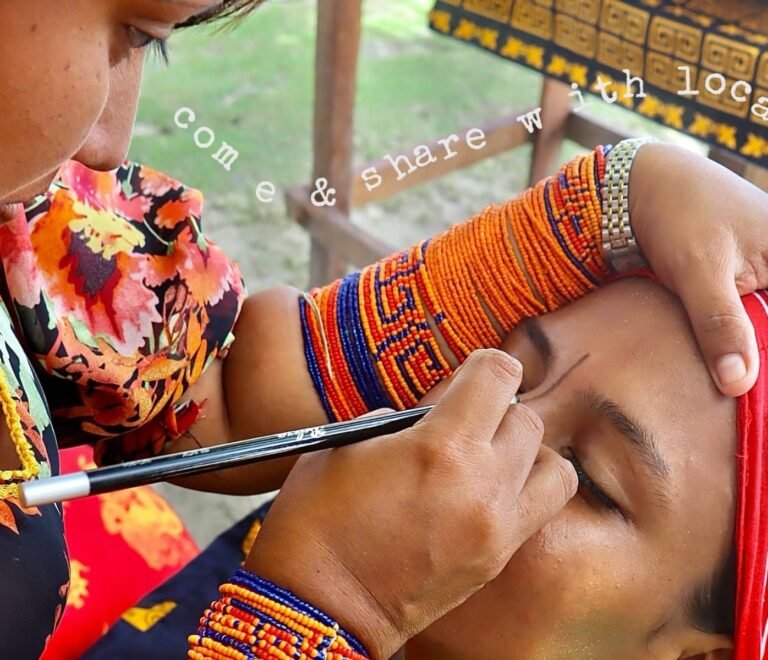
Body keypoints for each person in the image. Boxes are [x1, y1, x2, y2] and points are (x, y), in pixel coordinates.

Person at [2, 0, 768, 657]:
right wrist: (332, 607)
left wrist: (601, 206)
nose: (451, 440)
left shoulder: (24, 215)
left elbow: (215, 394)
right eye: (142, 29)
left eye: (593, 483)